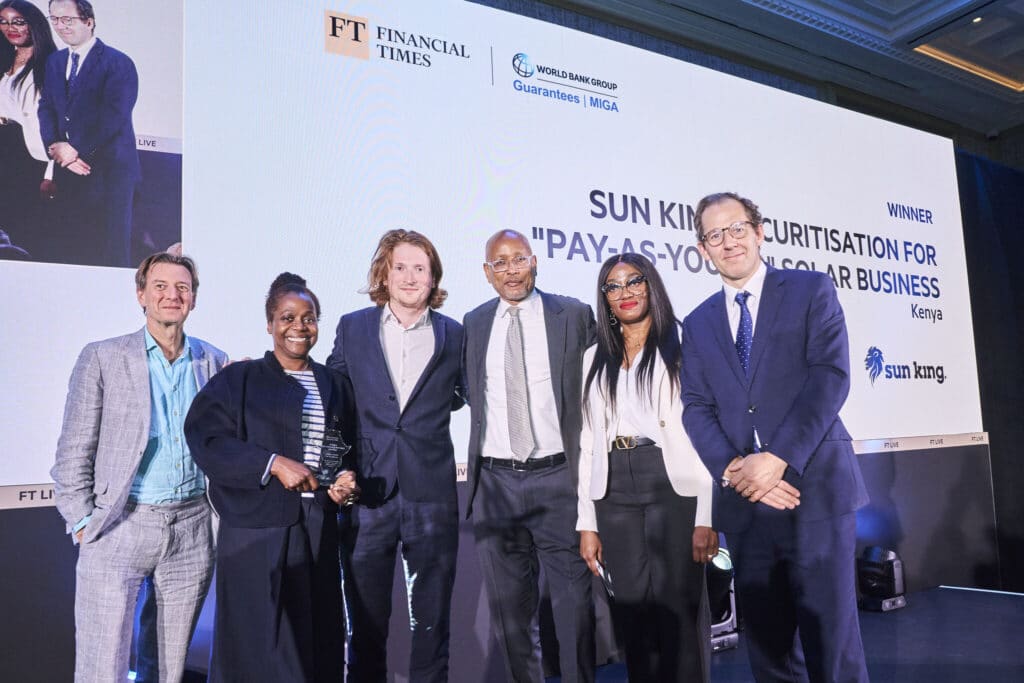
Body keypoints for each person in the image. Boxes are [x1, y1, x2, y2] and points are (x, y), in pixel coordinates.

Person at [681, 191, 869, 682]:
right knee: (769, 654)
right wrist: (737, 471)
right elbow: (696, 407)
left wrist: (778, 458)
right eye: (715, 235)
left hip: (816, 493)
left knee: (833, 647)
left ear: (760, 231)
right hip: (747, 506)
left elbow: (830, 377)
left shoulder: (811, 289)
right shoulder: (698, 323)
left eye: (737, 228)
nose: (728, 241)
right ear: (703, 249)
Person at [50, 252, 228, 683]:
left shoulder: (214, 361)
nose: (172, 295)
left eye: (182, 288)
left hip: (190, 527)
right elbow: (73, 449)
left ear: (194, 299)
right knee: (101, 666)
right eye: (161, 286)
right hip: (120, 524)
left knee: (167, 668)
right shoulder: (103, 357)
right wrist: (82, 520)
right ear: (141, 295)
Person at [185, 273, 358, 683]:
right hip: (254, 531)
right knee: (254, 648)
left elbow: (345, 447)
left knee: (316, 643)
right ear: (269, 324)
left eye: (308, 318)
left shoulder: (334, 385)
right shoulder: (238, 379)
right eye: (287, 317)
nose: (299, 327)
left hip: (317, 528)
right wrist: (273, 463)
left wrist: (347, 478)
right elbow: (205, 437)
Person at [327, 229, 464, 682]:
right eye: (400, 267)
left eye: (420, 268)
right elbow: (334, 401)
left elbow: (464, 396)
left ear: (433, 277)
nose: (410, 277)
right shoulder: (352, 327)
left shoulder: (455, 335)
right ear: (384, 274)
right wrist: (339, 467)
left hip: (432, 495)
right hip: (368, 494)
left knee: (432, 622)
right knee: (365, 625)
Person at [463, 229, 597, 683]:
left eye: (518, 259)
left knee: (574, 605)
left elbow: (600, 392)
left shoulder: (573, 315)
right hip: (496, 484)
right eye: (499, 263)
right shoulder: (474, 323)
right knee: (511, 617)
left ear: (535, 261)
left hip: (559, 477)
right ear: (487, 273)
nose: (510, 270)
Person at [577, 253, 717, 682]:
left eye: (634, 281)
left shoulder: (685, 341)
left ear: (650, 285)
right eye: (614, 286)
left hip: (671, 482)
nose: (625, 292)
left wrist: (706, 514)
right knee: (633, 615)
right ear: (605, 298)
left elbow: (706, 429)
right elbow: (587, 441)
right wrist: (587, 521)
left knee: (678, 612)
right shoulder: (593, 356)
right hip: (614, 489)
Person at [37, 0, 140, 267]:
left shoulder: (118, 62)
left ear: (89, 21)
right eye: (55, 19)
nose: (61, 26)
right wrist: (56, 147)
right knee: (71, 245)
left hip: (110, 172)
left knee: (109, 251)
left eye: (67, 19)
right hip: (67, 169)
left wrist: (74, 149)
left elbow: (114, 116)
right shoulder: (55, 61)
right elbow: (46, 106)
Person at [0, 0, 56, 258]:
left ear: (34, 23)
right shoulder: (4, 62)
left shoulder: (50, 65)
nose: (10, 27)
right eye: (4, 21)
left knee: (20, 225)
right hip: (4, 149)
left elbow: (59, 124)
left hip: (26, 156)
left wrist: (51, 173)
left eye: (18, 21)